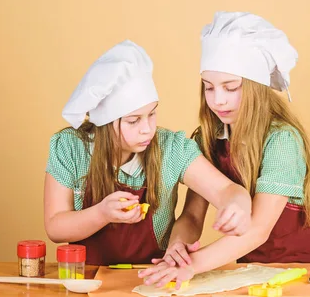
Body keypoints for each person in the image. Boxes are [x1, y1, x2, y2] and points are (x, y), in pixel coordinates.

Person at [139, 12, 310, 288]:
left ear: (257, 88)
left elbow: (257, 229)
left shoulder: (282, 140)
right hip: (254, 269)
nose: (218, 100)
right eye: (209, 88)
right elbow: (192, 216)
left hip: (309, 269)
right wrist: (177, 250)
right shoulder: (208, 139)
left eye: (230, 87)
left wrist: (194, 266)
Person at [43, 39, 251, 266]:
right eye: (133, 121)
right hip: (87, 279)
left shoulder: (171, 148)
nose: (147, 129)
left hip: (152, 277)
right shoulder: (70, 147)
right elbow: (55, 227)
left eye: (152, 114)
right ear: (104, 122)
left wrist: (238, 204)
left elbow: (226, 190)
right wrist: (102, 213)